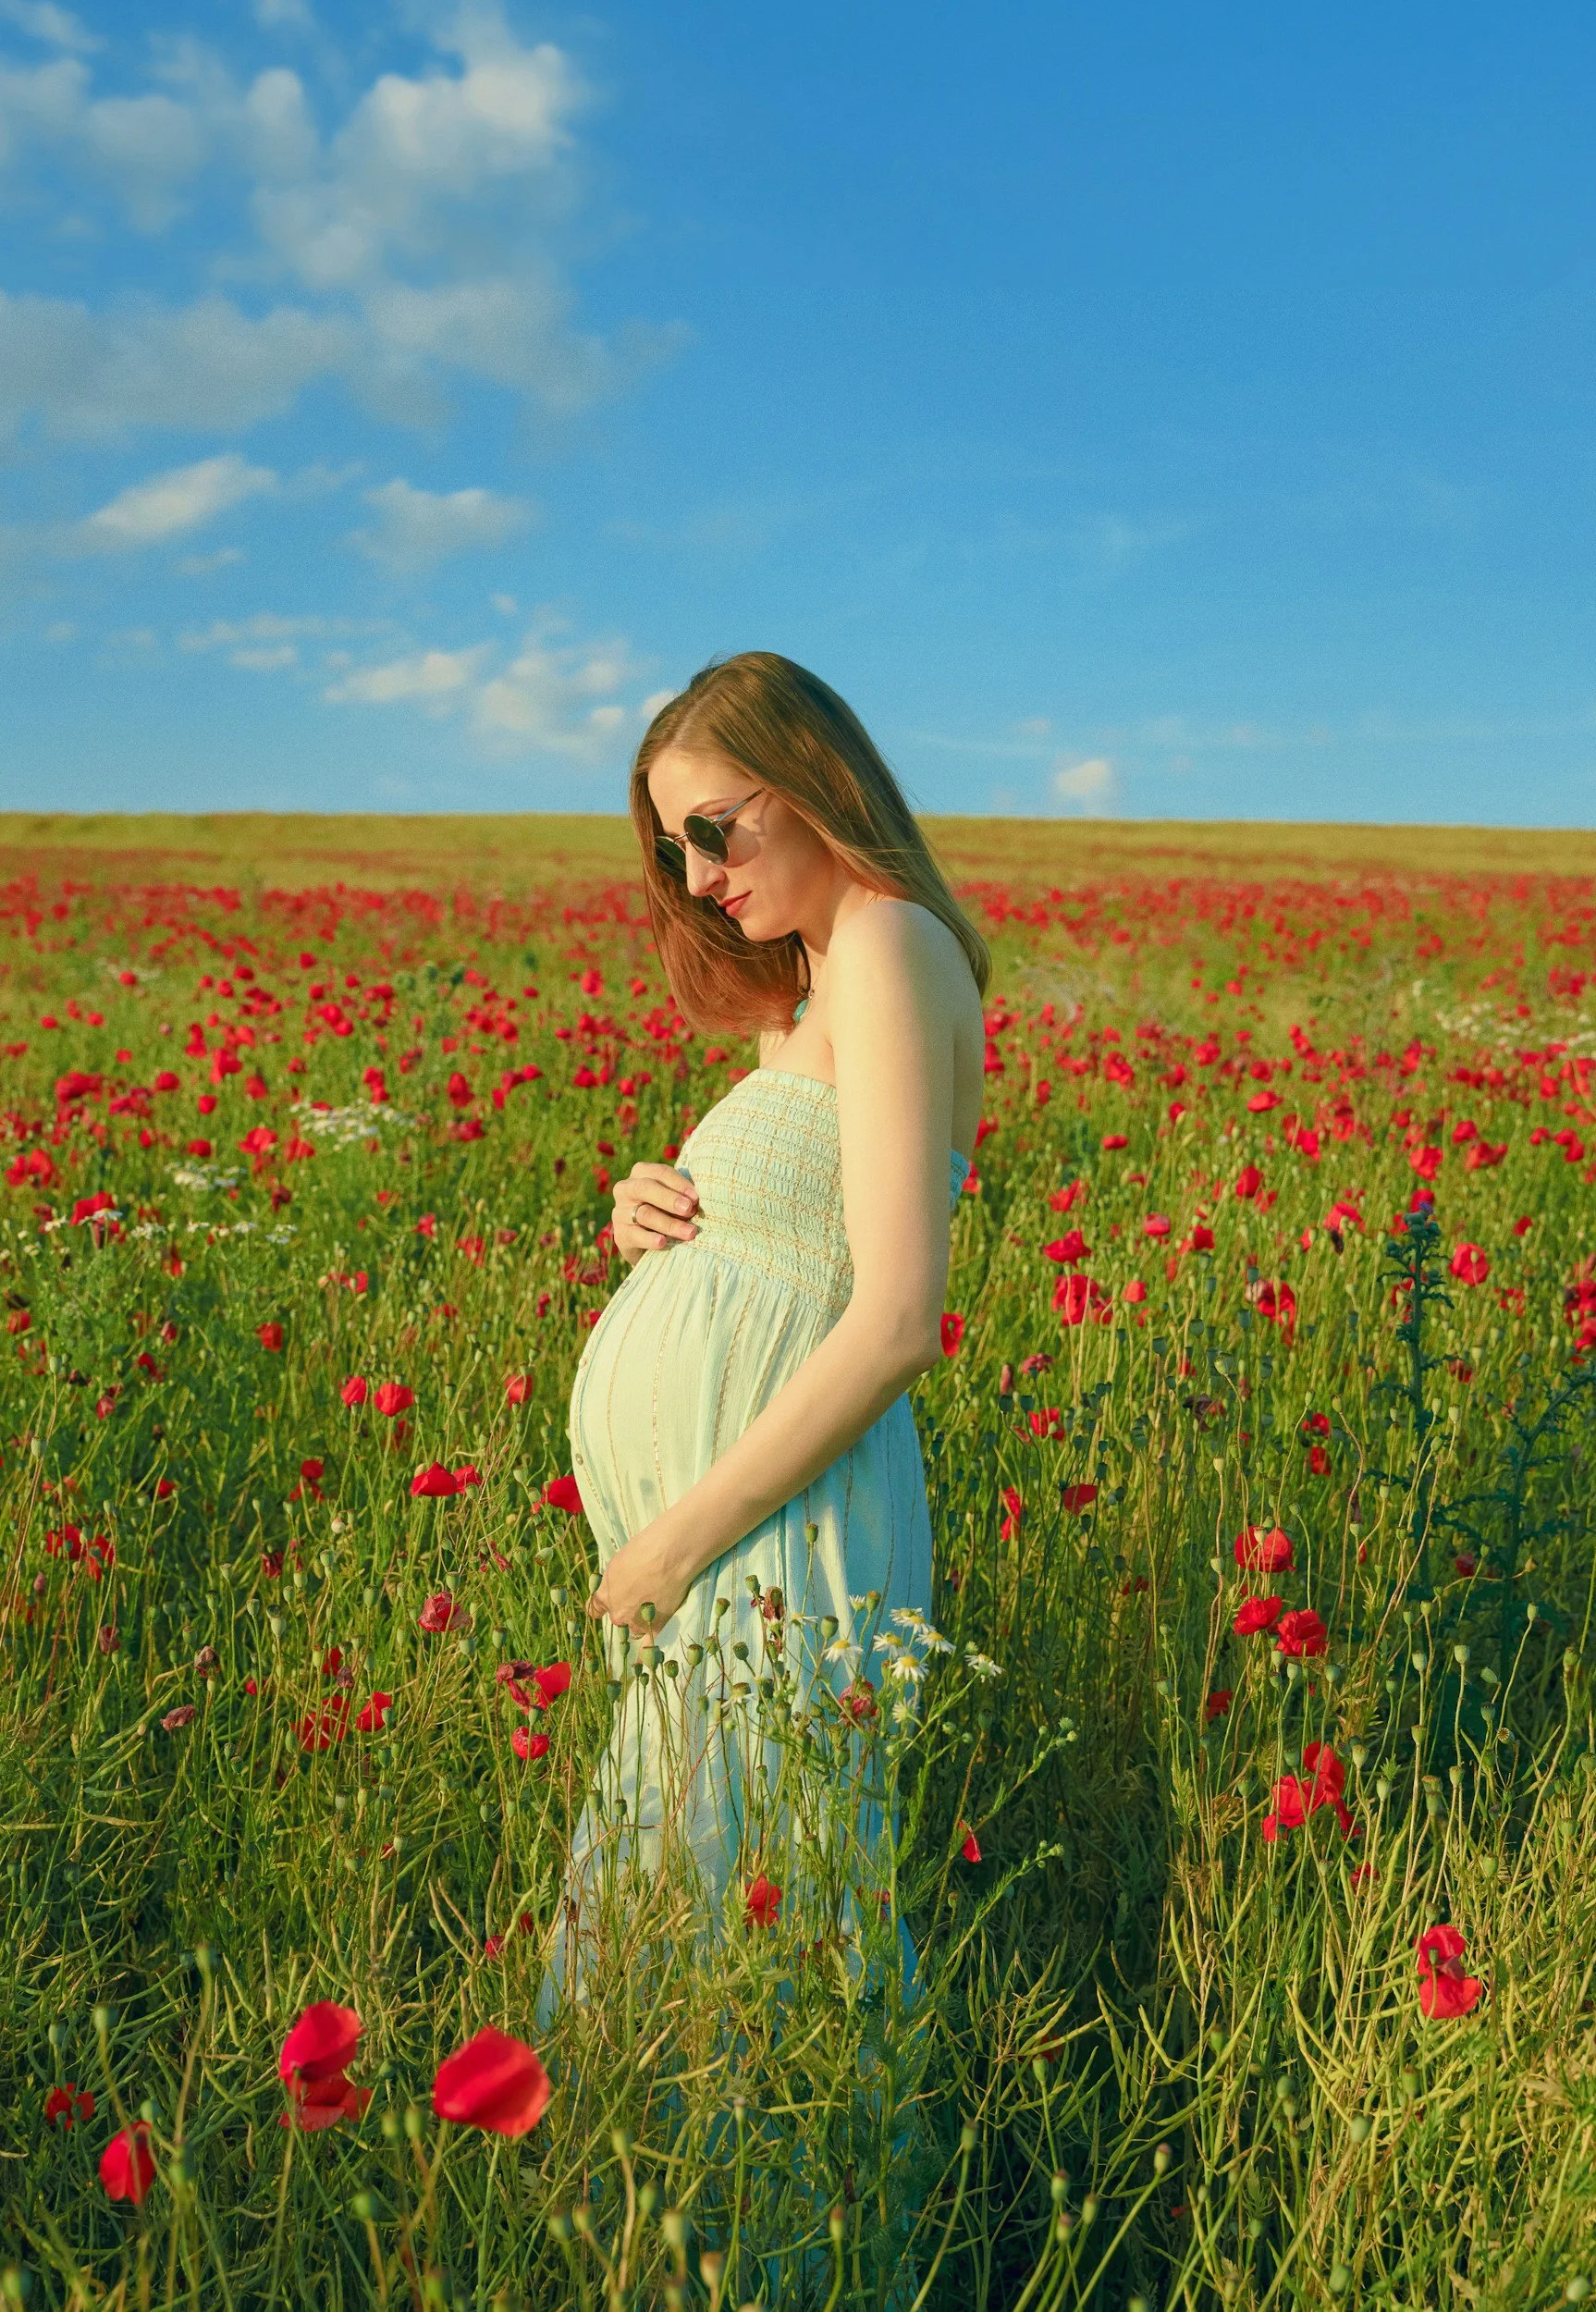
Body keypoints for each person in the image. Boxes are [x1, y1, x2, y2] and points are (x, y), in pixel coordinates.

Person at [540, 650, 988, 2016]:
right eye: (673, 848)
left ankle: (777, 2239)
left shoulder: (893, 944)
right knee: (688, 1930)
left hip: (774, 1535)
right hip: (735, 1548)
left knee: (759, 1939)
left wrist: (676, 1538)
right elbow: (789, 1239)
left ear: (810, 780)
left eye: (712, 830)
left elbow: (899, 1314)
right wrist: (652, 1215)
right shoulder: (811, 991)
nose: (694, 877)